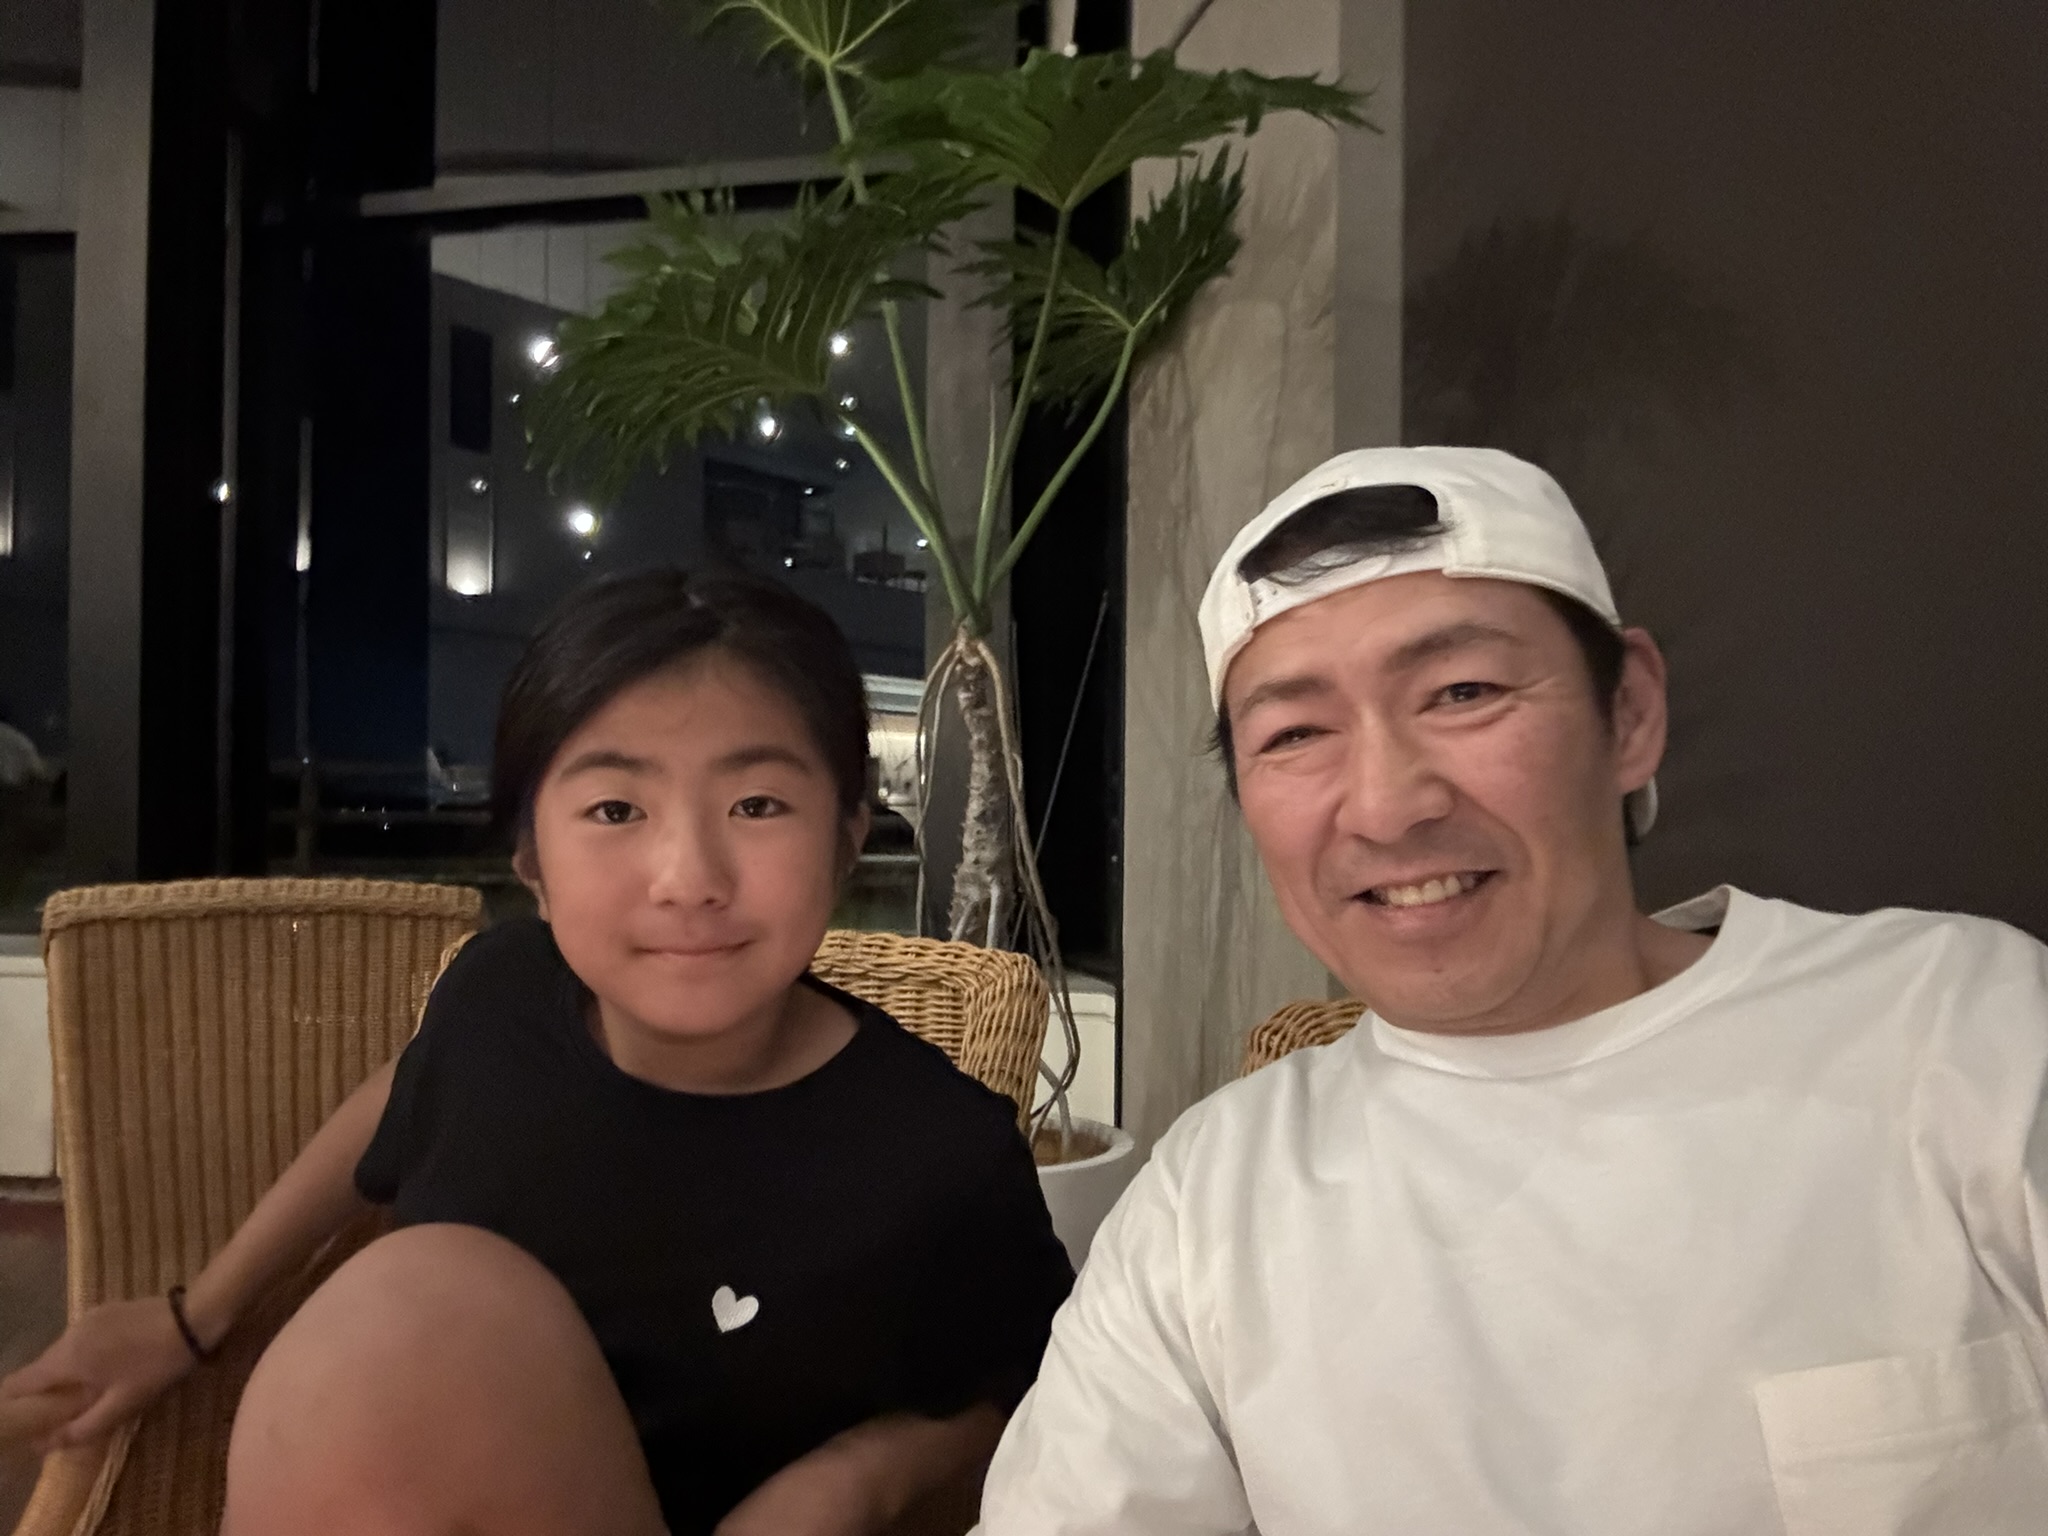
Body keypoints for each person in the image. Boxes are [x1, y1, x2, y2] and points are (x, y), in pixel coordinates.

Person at [974, 446, 2048, 1534]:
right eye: (1294, 734)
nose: (1386, 806)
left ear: (1628, 714)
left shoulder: (1967, 1027)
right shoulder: (1212, 1193)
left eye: (1464, 693)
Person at [0, 569, 1074, 1536]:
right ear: (532, 863)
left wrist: (855, 1479)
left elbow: (1030, 1374)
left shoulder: (935, 1147)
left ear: (846, 838)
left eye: (757, 804)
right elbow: (407, 1095)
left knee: (419, 1302)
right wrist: (195, 1315)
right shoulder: (501, 997)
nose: (688, 877)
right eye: (615, 808)